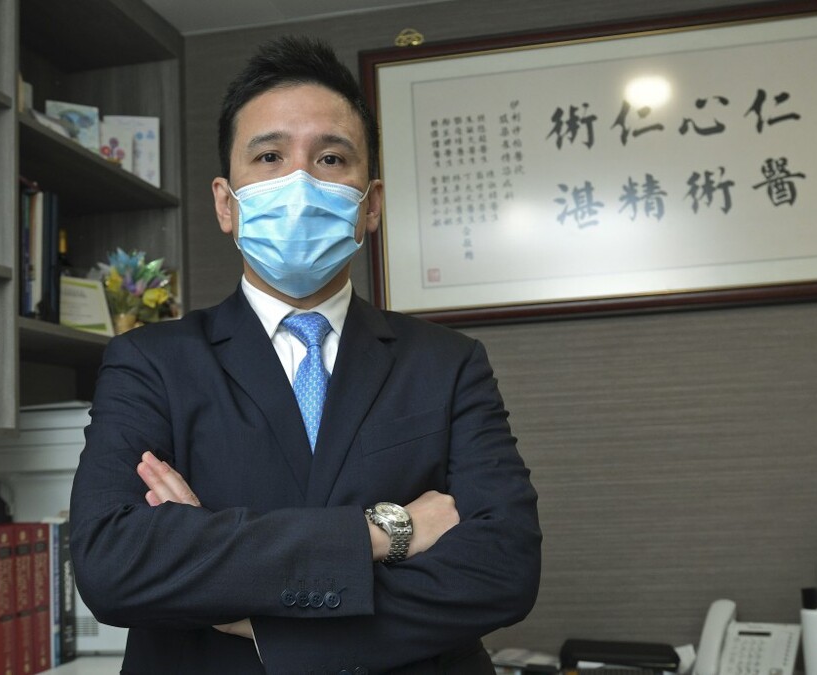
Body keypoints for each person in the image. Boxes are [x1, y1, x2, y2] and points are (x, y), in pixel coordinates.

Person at [70, 35, 541, 675]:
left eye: (331, 158)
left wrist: (247, 602)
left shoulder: (449, 363)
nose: (299, 182)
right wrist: (384, 532)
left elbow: (504, 567)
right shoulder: (149, 362)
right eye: (269, 156)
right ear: (225, 204)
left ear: (371, 204)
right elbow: (111, 564)